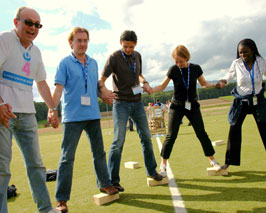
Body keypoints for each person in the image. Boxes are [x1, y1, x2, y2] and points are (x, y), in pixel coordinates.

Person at [52, 27, 118, 212]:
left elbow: (92, 87)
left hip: (93, 115)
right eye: (79, 40)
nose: (82, 44)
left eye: (85, 40)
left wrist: (102, 95)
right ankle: (62, 199)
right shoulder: (64, 63)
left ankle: (105, 184)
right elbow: (58, 89)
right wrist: (52, 109)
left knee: (99, 153)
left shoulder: (94, 63)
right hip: (72, 118)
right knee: (67, 158)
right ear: (71, 43)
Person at [0, 6, 59, 213]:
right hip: (3, 114)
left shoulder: (36, 51)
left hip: (27, 113)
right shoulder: (5, 40)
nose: (33, 28)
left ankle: (46, 209)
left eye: (37, 24)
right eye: (28, 23)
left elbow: (41, 83)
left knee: (36, 165)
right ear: (16, 22)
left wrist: (52, 108)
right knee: (2, 169)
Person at [99, 30, 163, 192]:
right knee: (118, 142)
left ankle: (152, 171)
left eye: (131, 47)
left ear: (135, 45)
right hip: (120, 103)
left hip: (137, 102)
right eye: (125, 46)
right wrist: (104, 91)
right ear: (120, 43)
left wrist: (146, 83)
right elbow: (102, 79)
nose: (128, 49)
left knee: (146, 138)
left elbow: (139, 74)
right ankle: (113, 181)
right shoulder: (113, 58)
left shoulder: (137, 56)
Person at [150, 45, 222, 177]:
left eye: (181, 61)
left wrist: (215, 85)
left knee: (201, 133)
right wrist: (150, 89)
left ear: (186, 58)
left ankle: (213, 161)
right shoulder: (173, 70)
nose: (179, 64)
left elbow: (204, 83)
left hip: (192, 105)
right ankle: (163, 165)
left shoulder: (195, 68)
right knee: (171, 136)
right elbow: (162, 86)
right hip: (176, 106)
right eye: (176, 62)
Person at [217, 38, 266, 170]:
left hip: (258, 101)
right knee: (234, 129)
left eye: (245, 52)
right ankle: (229, 162)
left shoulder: (262, 62)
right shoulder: (236, 63)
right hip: (241, 101)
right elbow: (229, 76)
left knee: (265, 130)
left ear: (253, 50)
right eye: (240, 53)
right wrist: (222, 82)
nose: (243, 55)